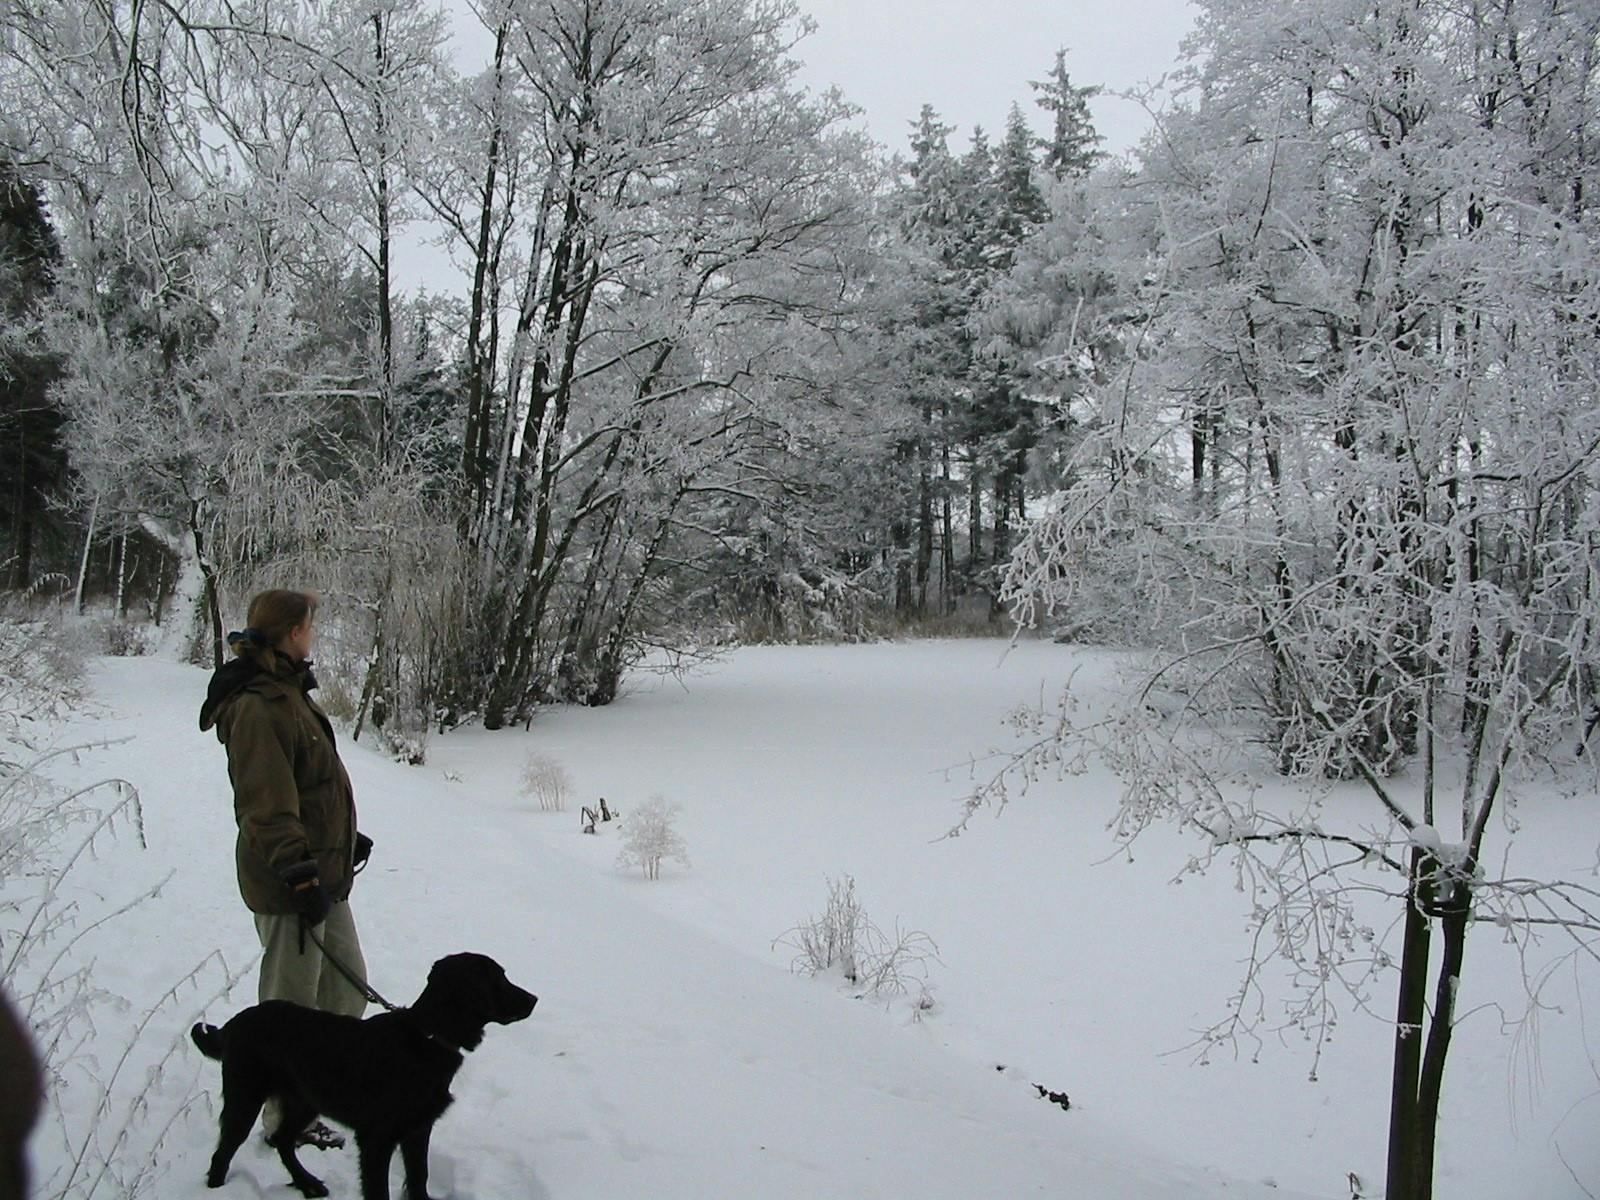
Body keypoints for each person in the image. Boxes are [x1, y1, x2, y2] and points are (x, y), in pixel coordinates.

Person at [198, 589, 372, 1149]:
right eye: (310, 624)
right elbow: (265, 803)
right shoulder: (258, 704)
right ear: (293, 631)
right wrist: (300, 871)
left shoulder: (288, 689)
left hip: (323, 872)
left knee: (347, 989)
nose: (314, 633)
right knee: (291, 1006)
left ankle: (315, 1092)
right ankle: (282, 1117)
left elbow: (310, 781)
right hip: (289, 883)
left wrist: (342, 839)